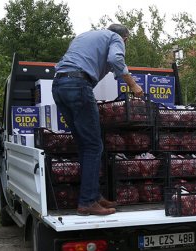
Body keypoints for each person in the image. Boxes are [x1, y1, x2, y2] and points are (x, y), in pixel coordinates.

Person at [52, 24, 144, 216]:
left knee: (85, 146)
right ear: (124, 38)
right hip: (78, 85)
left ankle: (93, 195)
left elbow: (103, 63)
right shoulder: (115, 38)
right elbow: (115, 58)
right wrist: (134, 85)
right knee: (94, 146)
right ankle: (87, 202)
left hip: (59, 86)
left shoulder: (85, 36)